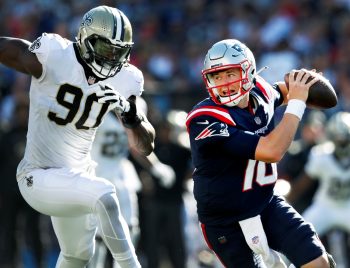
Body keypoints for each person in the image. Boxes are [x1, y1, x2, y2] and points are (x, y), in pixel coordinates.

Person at [0, 5, 155, 268]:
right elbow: (8, 49)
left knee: (77, 255)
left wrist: (130, 114)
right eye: (107, 49)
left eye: (120, 52)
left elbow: (146, 146)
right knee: (105, 193)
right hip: (38, 175)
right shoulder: (55, 54)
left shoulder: (127, 79)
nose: (112, 58)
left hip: (78, 178)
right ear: (86, 39)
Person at [185, 39, 336, 268]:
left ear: (249, 71)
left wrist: (302, 84)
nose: (223, 83)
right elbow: (271, 151)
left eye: (230, 74)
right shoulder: (205, 118)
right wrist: (297, 102)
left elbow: (290, 92)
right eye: (216, 76)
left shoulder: (262, 92)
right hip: (226, 221)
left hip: (265, 203)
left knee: (318, 263)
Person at [287, 111, 350, 267]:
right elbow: (303, 183)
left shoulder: (322, 154)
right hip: (325, 206)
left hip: (346, 205)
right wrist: (285, 202)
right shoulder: (322, 155)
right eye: (340, 140)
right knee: (298, 235)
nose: (342, 144)